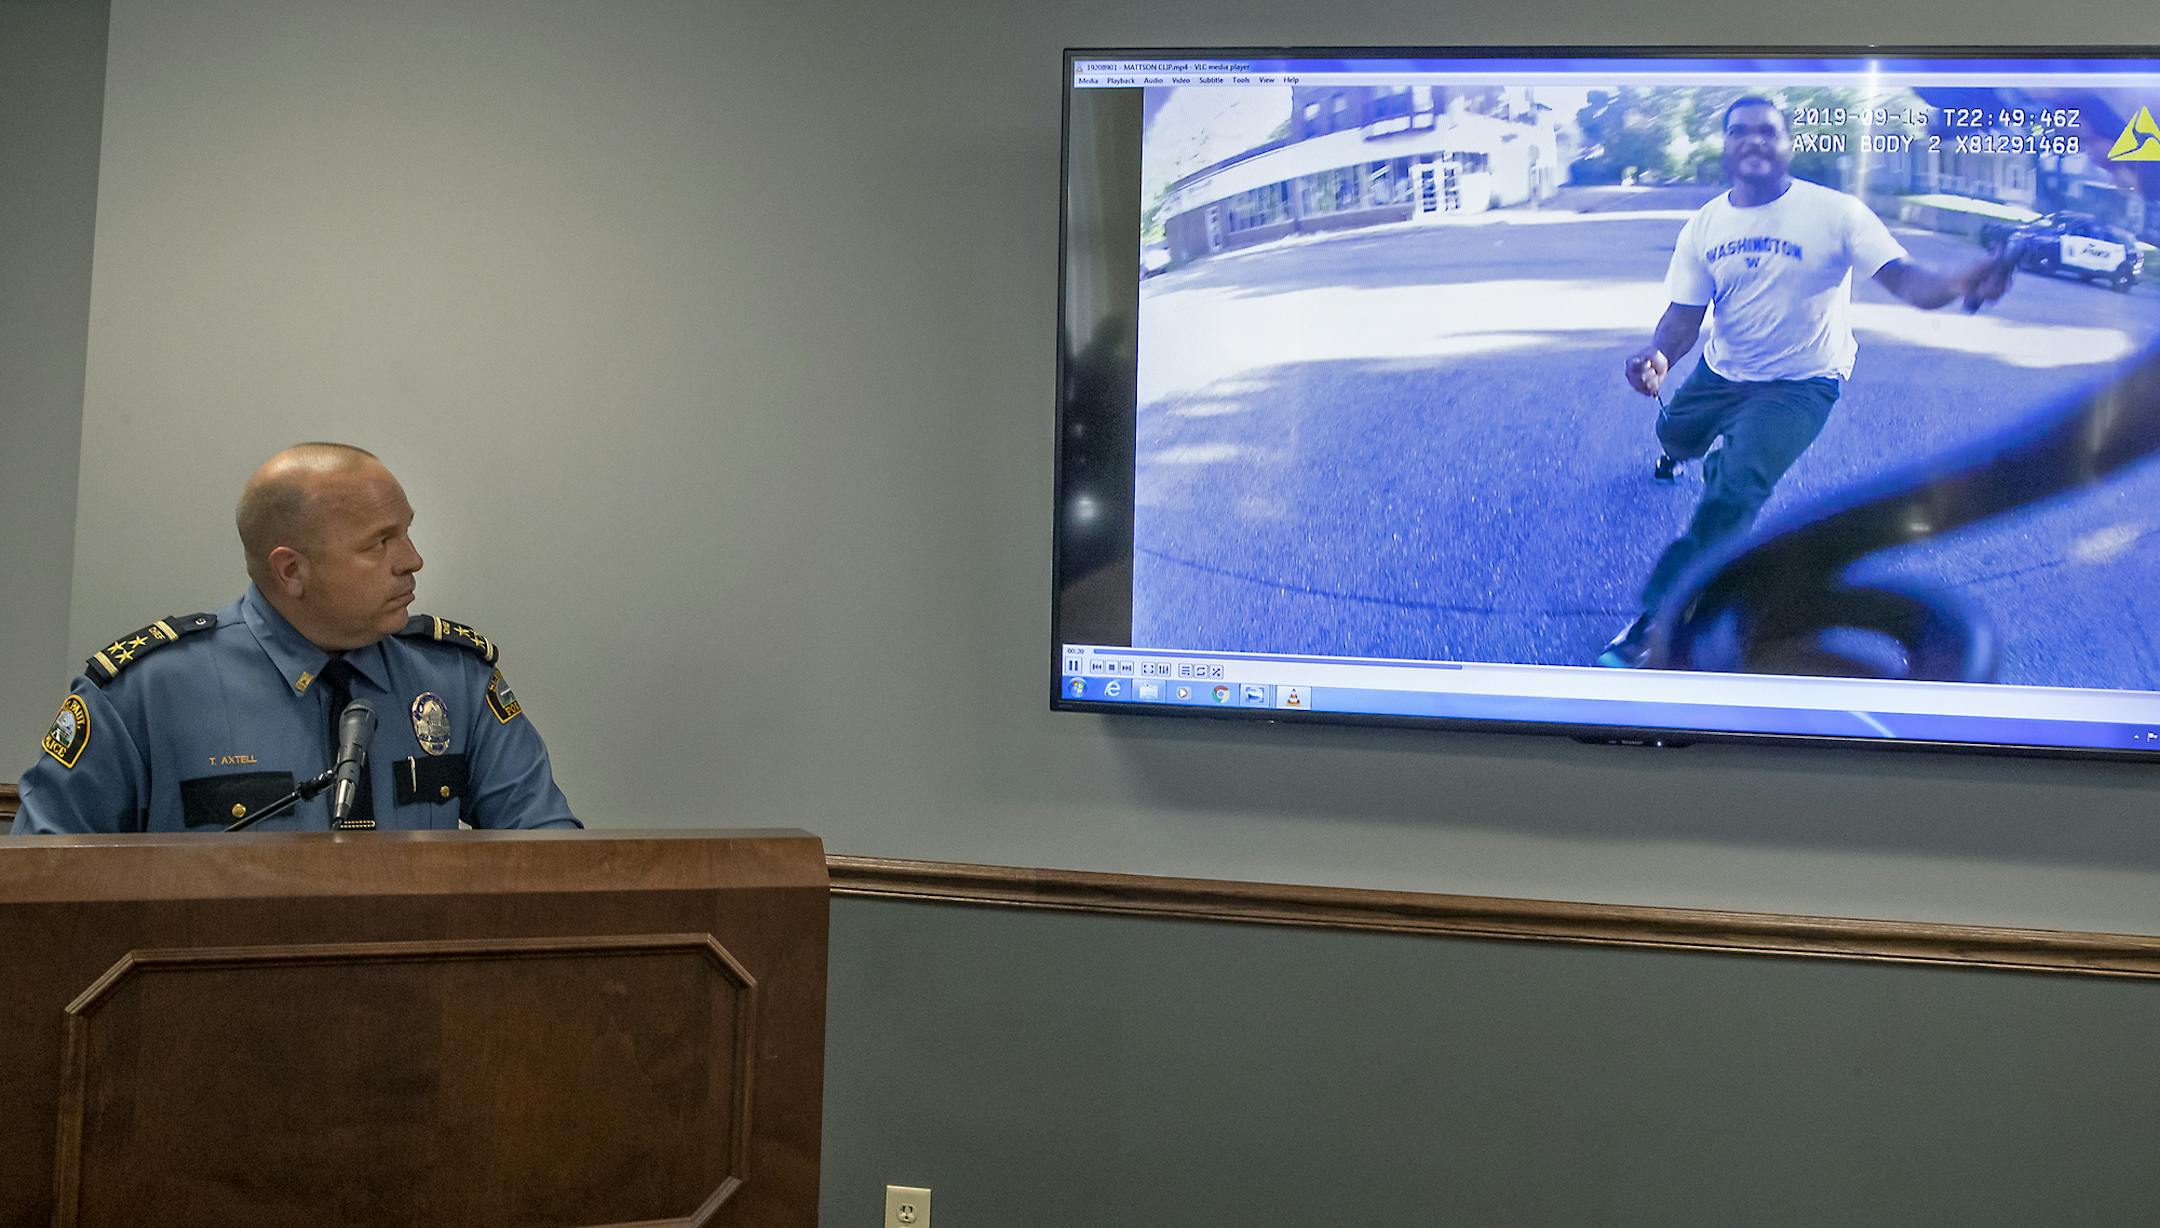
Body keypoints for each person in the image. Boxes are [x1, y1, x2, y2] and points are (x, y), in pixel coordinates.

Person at [1598, 96, 2016, 669]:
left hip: (1801, 382)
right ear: (1725, 145)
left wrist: (1960, 283)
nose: (1754, 141)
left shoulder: (1836, 213)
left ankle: (1657, 620)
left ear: (1788, 143)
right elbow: (1682, 319)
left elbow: (1911, 283)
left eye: (1767, 132)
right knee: (1678, 435)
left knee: (1734, 491)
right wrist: (1658, 357)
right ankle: (1677, 453)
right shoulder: (1705, 225)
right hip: (1724, 370)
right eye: (1740, 132)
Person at [12, 443, 579, 833]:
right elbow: (44, 885)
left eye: (407, 532)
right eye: (379, 543)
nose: (413, 561)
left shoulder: (456, 678)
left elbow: (548, 854)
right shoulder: (142, 694)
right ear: (291, 571)